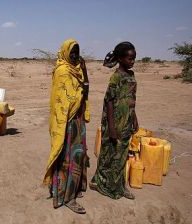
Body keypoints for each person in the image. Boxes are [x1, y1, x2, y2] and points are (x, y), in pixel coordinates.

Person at [43, 38, 90, 214]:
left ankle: (73, 190)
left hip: (77, 121)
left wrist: (85, 71)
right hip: (66, 122)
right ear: (65, 52)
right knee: (65, 158)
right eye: (72, 52)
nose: (75, 55)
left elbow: (84, 92)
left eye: (77, 52)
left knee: (77, 156)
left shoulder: (78, 70)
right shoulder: (62, 71)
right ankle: (64, 196)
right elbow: (63, 101)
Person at [90, 41, 138, 200]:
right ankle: (100, 183)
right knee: (109, 154)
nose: (132, 61)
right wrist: (111, 126)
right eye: (130, 58)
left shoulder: (131, 76)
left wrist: (134, 118)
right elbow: (109, 101)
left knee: (122, 155)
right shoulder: (116, 77)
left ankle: (119, 185)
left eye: (134, 58)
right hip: (114, 122)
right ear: (121, 58)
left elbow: (131, 99)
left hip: (126, 122)